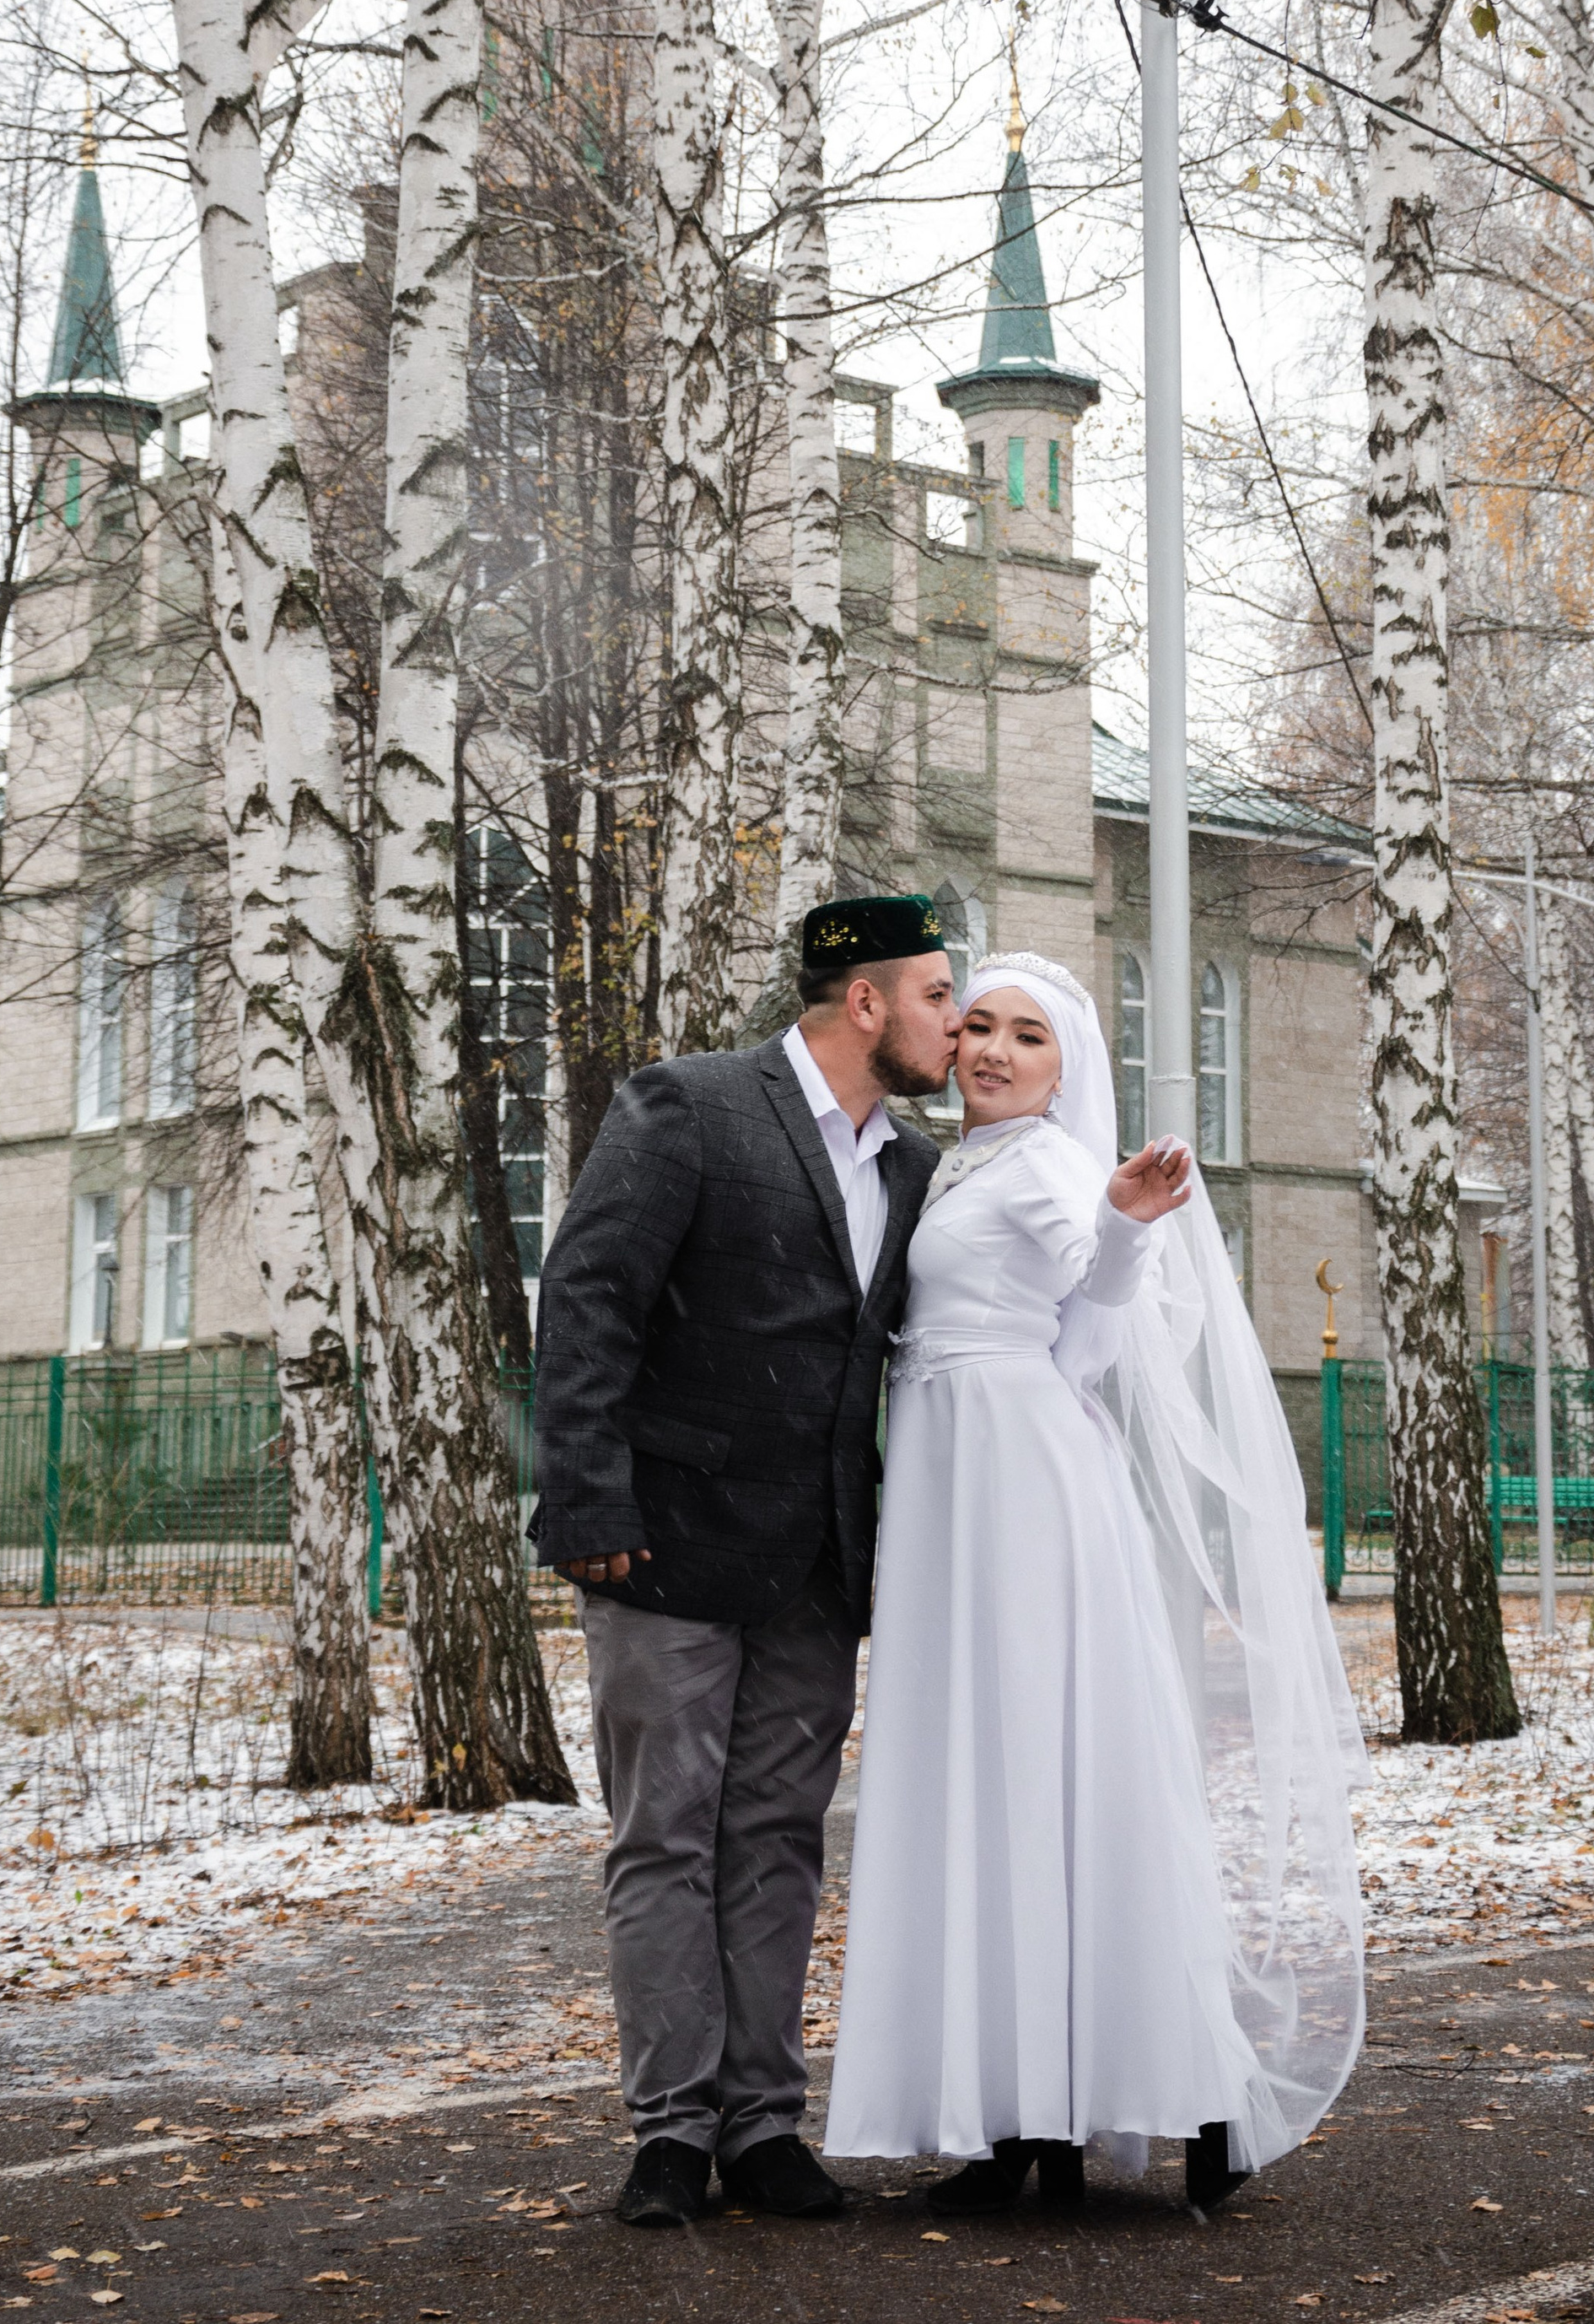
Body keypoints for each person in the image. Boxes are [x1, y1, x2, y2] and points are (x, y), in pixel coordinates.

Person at [825, 952, 1367, 2212]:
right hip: (962, 1477)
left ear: (1067, 1070)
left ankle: (1076, 2116)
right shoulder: (963, 1160)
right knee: (993, 1780)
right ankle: (1028, 2119)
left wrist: (1125, 1219)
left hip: (1019, 1482)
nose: (997, 1051)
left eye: (1031, 1037)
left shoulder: (1058, 1165)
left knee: (1041, 1769)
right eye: (981, 1029)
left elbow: (1098, 1280)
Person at [530, 893, 961, 2230]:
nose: (957, 1021)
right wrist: (589, 1499)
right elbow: (588, 1296)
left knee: (776, 1842)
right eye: (941, 994)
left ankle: (765, 2125)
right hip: (660, 1543)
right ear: (868, 1001)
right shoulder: (690, 1105)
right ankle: (671, 2131)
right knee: (664, 1838)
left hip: (818, 1567)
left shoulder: (914, 1170)